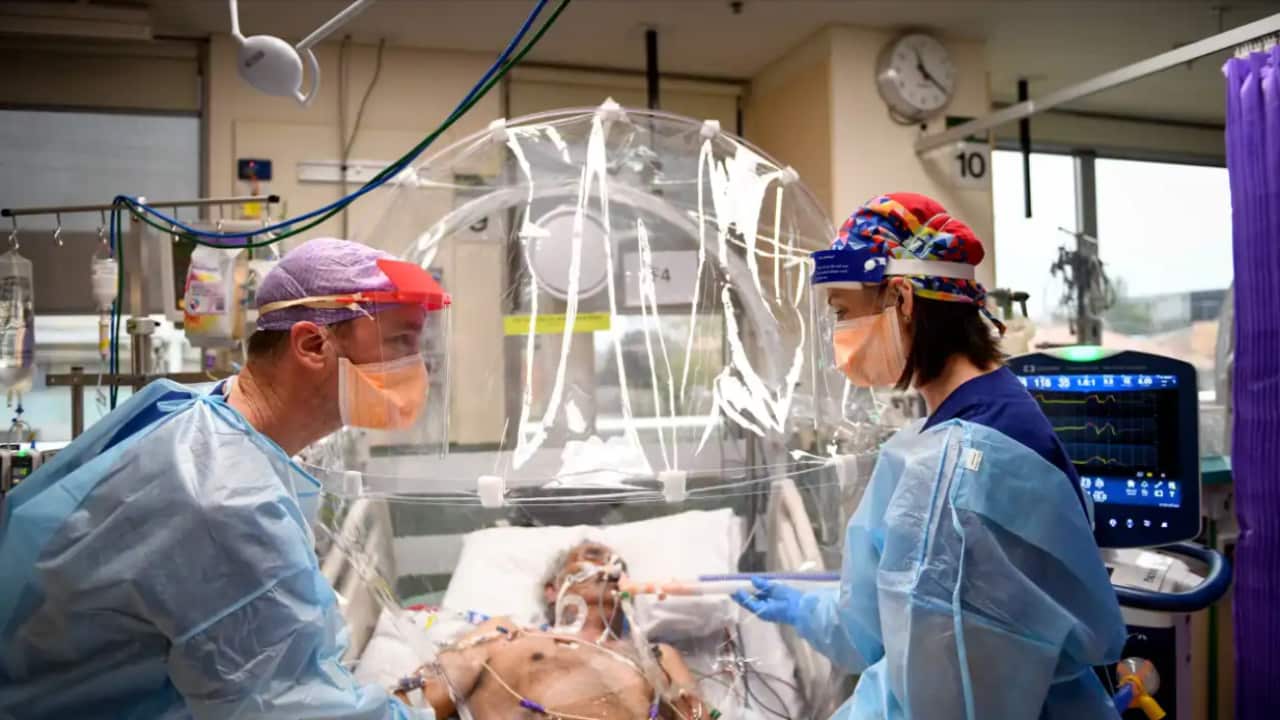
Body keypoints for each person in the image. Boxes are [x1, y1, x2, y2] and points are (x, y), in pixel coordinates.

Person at [0, 238, 447, 719]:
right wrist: (437, 704)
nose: (416, 365)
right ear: (313, 345)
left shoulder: (198, 414)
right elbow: (295, 711)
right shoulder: (226, 499)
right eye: (401, 341)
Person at [733, 193, 1127, 719]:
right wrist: (804, 608)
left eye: (845, 314)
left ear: (902, 299)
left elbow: (947, 699)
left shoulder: (967, 467)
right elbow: (880, 627)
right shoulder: (970, 422)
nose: (840, 338)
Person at [398, 541, 708, 720]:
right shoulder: (506, 636)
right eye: (590, 557)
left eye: (616, 565)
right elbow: (413, 708)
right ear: (552, 589)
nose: (606, 565)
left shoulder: (655, 657)